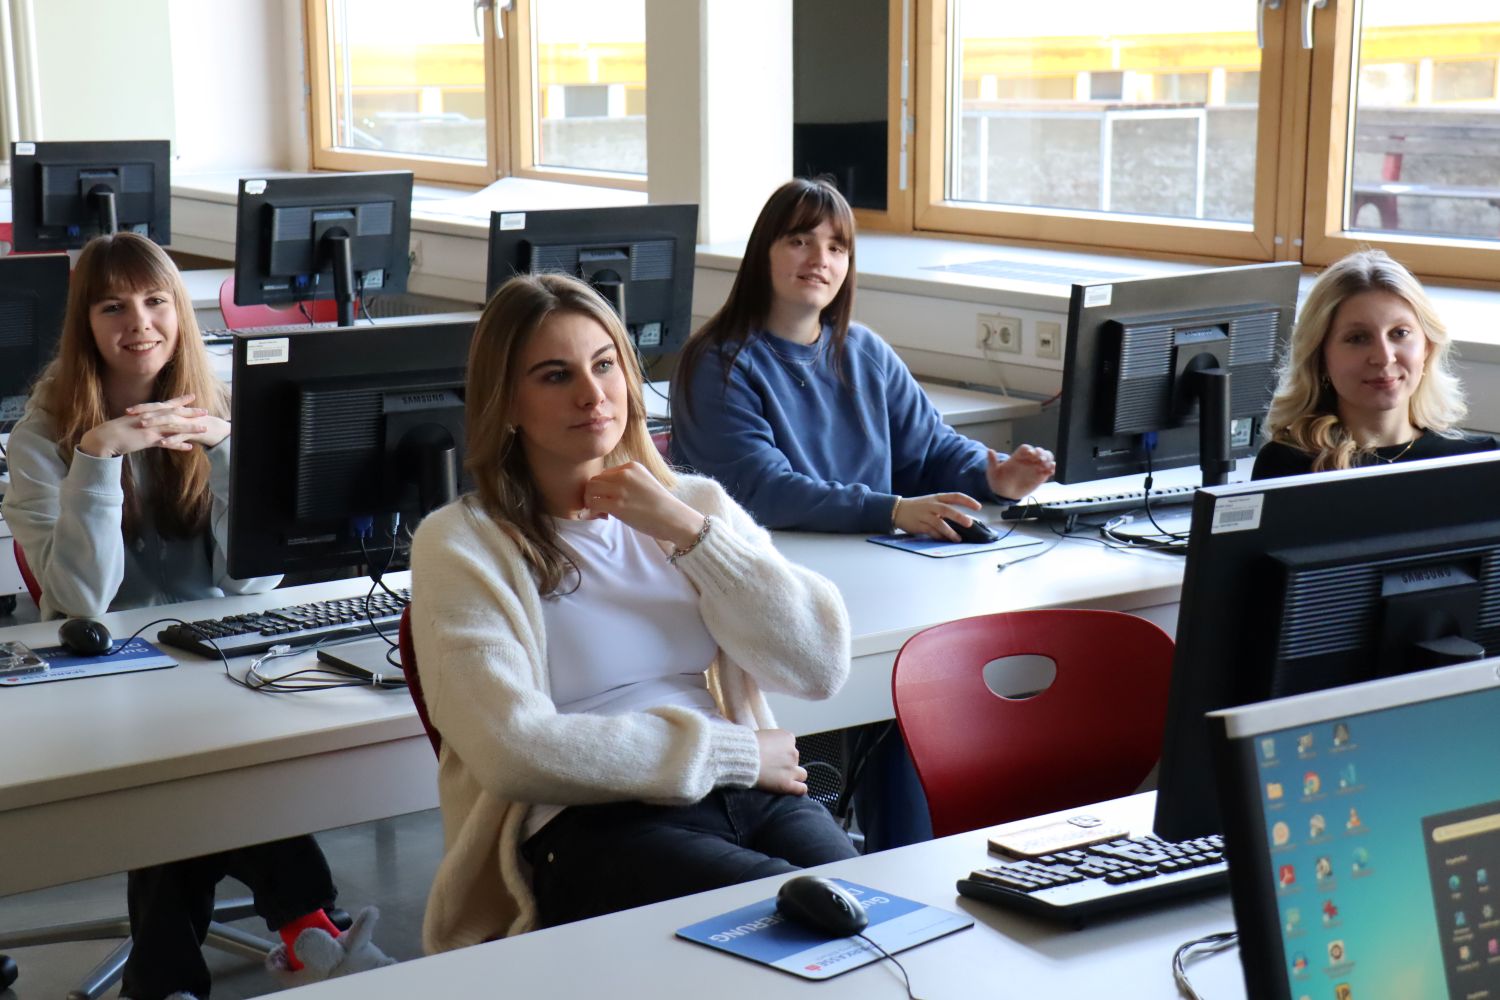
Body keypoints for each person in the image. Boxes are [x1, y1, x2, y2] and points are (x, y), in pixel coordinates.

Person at [409, 272, 858, 953]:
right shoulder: (461, 543)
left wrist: (690, 534)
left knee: (874, 912)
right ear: (507, 403)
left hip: (750, 795)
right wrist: (734, 752)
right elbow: (512, 751)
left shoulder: (692, 505)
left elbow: (818, 666)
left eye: (604, 365)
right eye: (556, 375)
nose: (593, 395)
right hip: (593, 820)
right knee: (798, 935)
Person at [1, 233, 390, 1000]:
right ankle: (312, 926)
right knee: (195, 786)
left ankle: (165, 982)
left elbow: (251, 581)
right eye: (113, 308)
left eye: (155, 302)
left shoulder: (222, 408)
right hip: (102, 675)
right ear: (85, 323)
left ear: (178, 311)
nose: (138, 324)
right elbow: (82, 600)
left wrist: (227, 449)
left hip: (216, 660)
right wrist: (99, 456)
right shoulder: (42, 438)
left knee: (189, 798)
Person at [669, 176, 1056, 540]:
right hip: (768, 559)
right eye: (800, 241)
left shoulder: (865, 351)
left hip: (866, 550)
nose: (820, 259)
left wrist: (994, 476)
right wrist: (891, 511)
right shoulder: (717, 365)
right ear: (762, 254)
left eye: (836, 248)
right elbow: (761, 491)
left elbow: (932, 449)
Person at [1254, 248, 1497, 480]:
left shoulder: (1480, 459)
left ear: (1427, 347)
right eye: (1357, 338)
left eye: (1400, 333)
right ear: (1319, 358)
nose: (1384, 357)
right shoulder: (1285, 465)